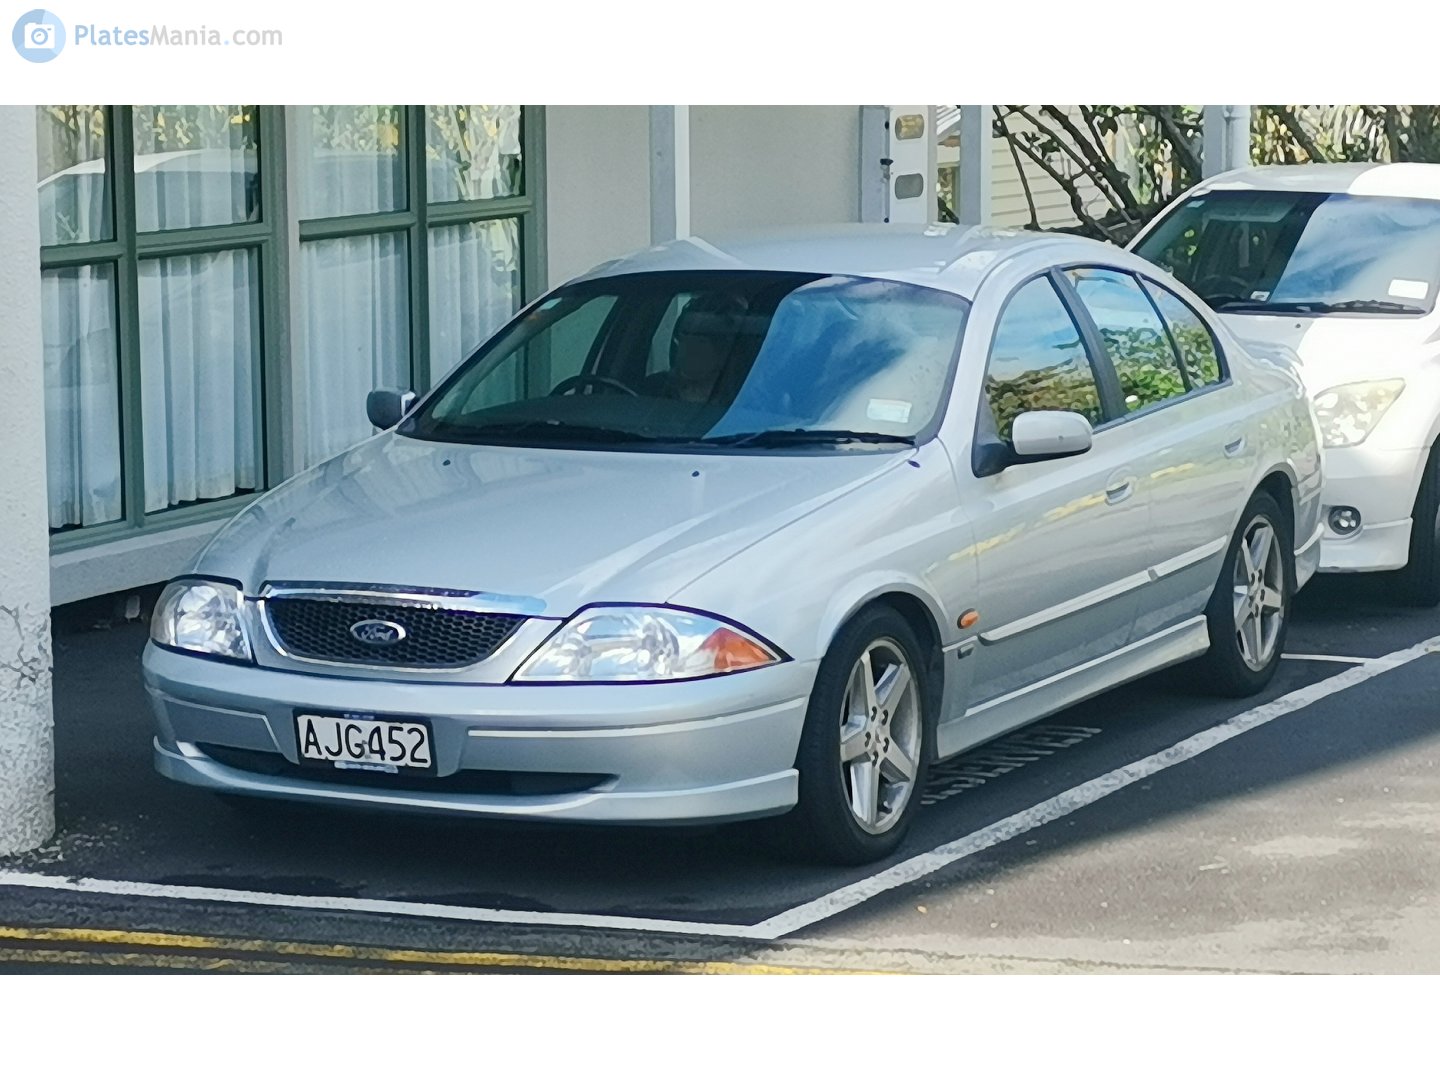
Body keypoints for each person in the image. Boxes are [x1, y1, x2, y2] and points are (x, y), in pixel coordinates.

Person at [644, 293, 749, 403]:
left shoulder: (744, 400)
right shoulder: (651, 392)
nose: (685, 350)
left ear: (724, 351)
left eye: (699, 343)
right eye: (682, 339)